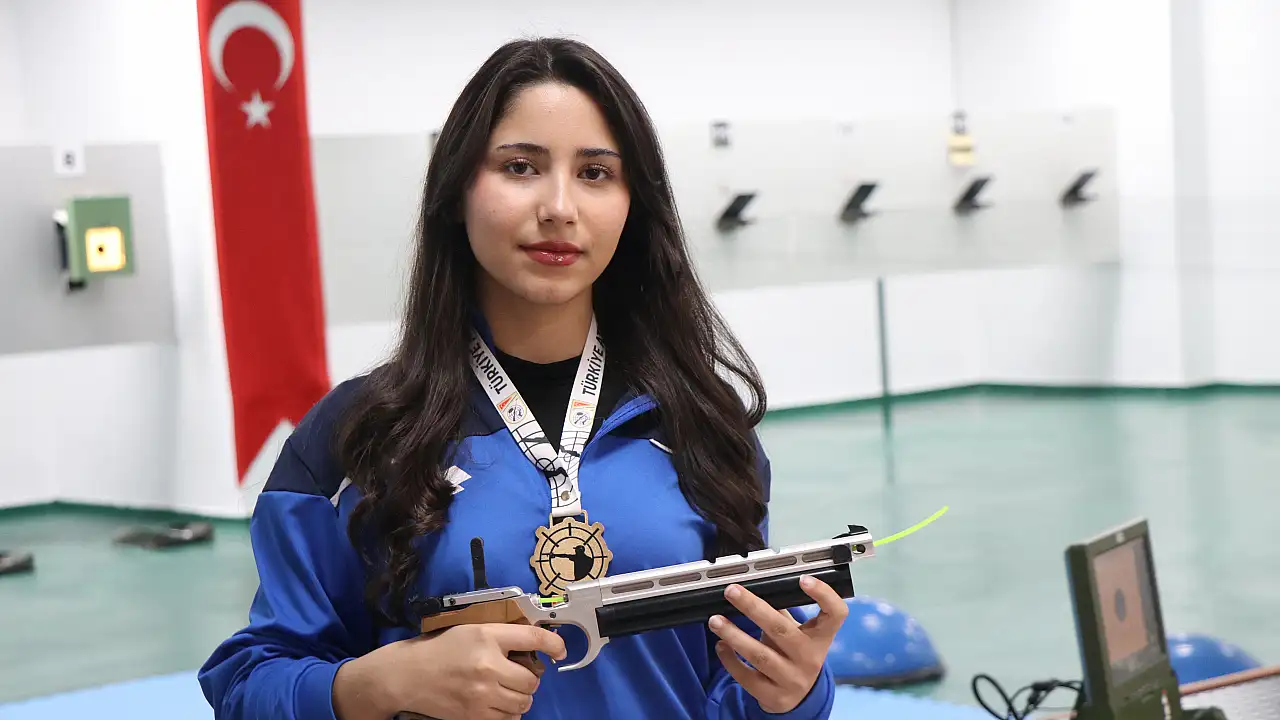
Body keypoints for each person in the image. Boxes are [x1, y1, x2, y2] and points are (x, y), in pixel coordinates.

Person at [198, 37, 849, 720]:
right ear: (457, 192)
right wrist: (379, 683)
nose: (560, 206)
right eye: (520, 167)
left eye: (595, 173)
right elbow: (246, 688)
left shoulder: (702, 427)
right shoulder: (355, 438)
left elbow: (728, 689)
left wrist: (794, 696)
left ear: (633, 204)